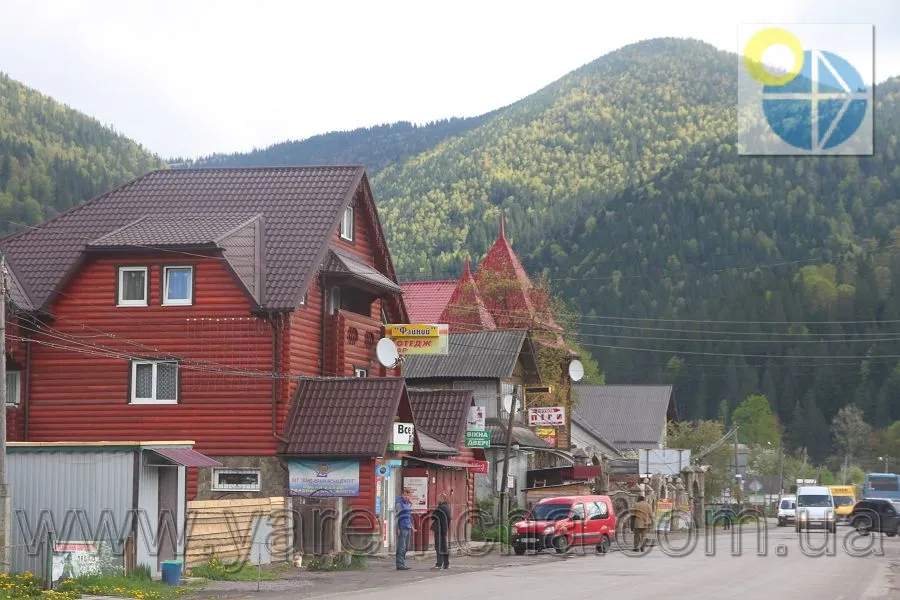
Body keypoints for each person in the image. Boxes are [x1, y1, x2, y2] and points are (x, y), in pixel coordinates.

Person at [396, 487, 416, 570]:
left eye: (408, 495)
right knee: (401, 546)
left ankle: (402, 562)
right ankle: (400, 564)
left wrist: (412, 526)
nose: (406, 497)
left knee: (407, 547)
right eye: (405, 495)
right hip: (402, 526)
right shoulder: (399, 504)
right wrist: (398, 528)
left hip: (408, 526)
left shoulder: (407, 503)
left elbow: (408, 516)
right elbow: (397, 516)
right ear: (402, 495)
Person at [431, 492, 452, 570]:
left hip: (439, 528)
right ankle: (446, 563)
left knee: (438, 546)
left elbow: (433, 516)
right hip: (444, 528)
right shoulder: (447, 507)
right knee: (444, 546)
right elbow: (449, 518)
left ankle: (439, 564)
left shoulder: (440, 507)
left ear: (442, 499)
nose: (437, 499)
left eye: (438, 498)